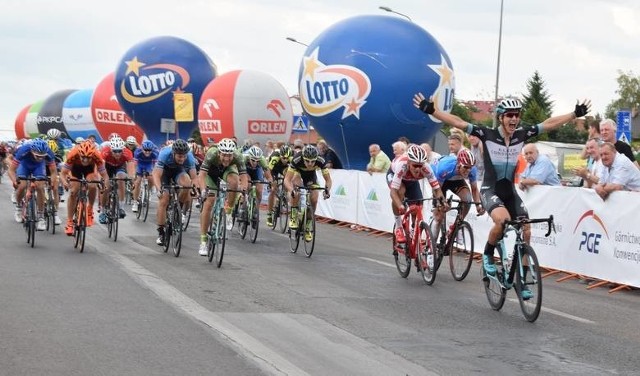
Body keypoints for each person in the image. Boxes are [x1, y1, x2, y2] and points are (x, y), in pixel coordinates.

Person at [414, 92, 590, 296]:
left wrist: (574, 114)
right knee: (503, 221)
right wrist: (433, 110)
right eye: (509, 115)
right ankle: (488, 254)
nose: (514, 119)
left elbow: (548, 124)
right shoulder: (486, 134)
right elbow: (459, 122)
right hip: (491, 190)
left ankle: (522, 279)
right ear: (500, 117)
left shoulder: (522, 135)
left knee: (526, 229)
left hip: (510, 192)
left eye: (516, 115)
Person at [197, 138, 248, 255]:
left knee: (234, 182)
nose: (226, 158)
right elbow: (202, 175)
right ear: (219, 153)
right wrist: (203, 190)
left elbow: (244, 177)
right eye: (224, 155)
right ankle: (203, 241)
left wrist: (244, 190)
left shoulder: (238, 156)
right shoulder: (211, 154)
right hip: (211, 174)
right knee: (209, 202)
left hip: (227, 171)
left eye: (229, 155)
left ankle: (228, 211)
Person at [389, 144, 445, 246]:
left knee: (418, 206)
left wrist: (442, 202)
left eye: (420, 165)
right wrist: (400, 205)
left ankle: (413, 230)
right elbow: (393, 192)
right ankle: (399, 227)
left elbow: (437, 190)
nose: (418, 169)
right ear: (409, 162)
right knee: (400, 191)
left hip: (411, 180)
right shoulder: (402, 165)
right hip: (395, 176)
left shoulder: (426, 168)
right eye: (415, 165)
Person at [430, 149, 485, 244]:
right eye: (466, 167)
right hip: (439, 182)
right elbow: (437, 189)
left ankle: (457, 226)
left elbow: (474, 189)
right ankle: (431, 248)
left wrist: (478, 206)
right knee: (439, 216)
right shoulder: (445, 167)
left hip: (456, 180)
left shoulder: (472, 170)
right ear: (459, 164)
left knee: (467, 199)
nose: (468, 170)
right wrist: (442, 203)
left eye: (470, 168)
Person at [153, 139, 198, 246]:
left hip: (179, 171)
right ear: (173, 153)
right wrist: (160, 189)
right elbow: (156, 175)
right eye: (179, 156)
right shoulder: (164, 154)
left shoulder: (190, 157)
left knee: (187, 183)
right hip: (165, 173)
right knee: (164, 199)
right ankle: (161, 232)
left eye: (184, 156)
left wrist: (195, 189)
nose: (182, 158)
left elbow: (194, 178)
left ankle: (178, 209)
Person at [60, 141, 110, 235]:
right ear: (79, 154)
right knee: (73, 192)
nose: (85, 160)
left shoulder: (96, 156)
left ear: (92, 155)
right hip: (75, 169)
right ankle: (70, 222)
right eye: (83, 157)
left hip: (89, 170)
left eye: (88, 158)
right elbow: (63, 173)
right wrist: (64, 183)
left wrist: (105, 186)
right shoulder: (73, 154)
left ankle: (90, 209)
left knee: (93, 185)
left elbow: (105, 176)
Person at [284, 145, 332, 242]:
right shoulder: (297, 159)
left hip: (310, 176)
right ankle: (293, 215)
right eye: (307, 161)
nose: (310, 163)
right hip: (298, 173)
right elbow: (287, 180)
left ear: (316, 159)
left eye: (313, 161)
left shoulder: (321, 160)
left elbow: (328, 180)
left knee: (314, 199)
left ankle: (307, 227)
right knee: (296, 189)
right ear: (303, 158)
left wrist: (327, 190)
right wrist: (291, 190)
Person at [8, 139, 58, 231]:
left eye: (42, 156)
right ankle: (19, 207)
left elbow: (54, 172)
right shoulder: (23, 150)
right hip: (24, 165)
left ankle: (40, 217)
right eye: (37, 156)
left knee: (40, 187)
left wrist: (53, 182)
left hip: (38, 167)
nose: (40, 158)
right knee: (21, 186)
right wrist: (15, 181)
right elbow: (11, 170)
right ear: (32, 151)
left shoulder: (48, 152)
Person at [98, 136, 135, 223]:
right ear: (111, 150)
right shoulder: (105, 152)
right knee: (106, 186)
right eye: (115, 151)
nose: (117, 153)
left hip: (120, 167)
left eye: (119, 151)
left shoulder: (127, 152)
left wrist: (131, 179)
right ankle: (103, 211)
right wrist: (101, 179)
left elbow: (131, 167)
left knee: (121, 179)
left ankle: (121, 208)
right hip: (107, 167)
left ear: (123, 150)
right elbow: (100, 167)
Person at [238, 145, 273, 222]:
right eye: (253, 160)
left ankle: (255, 210)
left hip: (257, 171)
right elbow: (238, 171)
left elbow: (268, 175)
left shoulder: (262, 160)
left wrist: (270, 182)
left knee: (259, 190)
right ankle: (242, 207)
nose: (255, 162)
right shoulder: (244, 157)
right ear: (249, 157)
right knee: (248, 183)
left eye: (257, 161)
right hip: (246, 170)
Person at [265, 144, 294, 227]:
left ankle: (284, 195)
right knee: (273, 189)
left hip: (284, 168)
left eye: (286, 158)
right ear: (280, 156)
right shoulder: (275, 157)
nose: (285, 160)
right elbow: (268, 171)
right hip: (274, 169)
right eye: (283, 158)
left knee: (287, 180)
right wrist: (270, 181)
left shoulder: (292, 157)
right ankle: (270, 214)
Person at [131, 140, 159, 213]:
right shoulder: (137, 151)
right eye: (145, 150)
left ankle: (149, 188)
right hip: (140, 164)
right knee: (137, 182)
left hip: (149, 164)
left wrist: (153, 174)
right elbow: (135, 164)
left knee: (151, 176)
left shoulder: (155, 153)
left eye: (149, 150)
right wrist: (134, 174)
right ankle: (135, 202)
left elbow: (155, 166)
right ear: (142, 149)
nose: (147, 152)